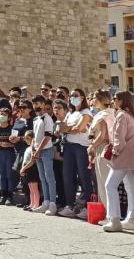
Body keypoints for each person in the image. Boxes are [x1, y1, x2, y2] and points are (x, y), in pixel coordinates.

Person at [102, 91, 134, 232]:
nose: (113, 101)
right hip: (132, 154)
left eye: (115, 99)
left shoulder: (121, 116)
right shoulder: (130, 115)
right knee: (130, 186)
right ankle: (132, 219)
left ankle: (114, 219)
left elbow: (119, 139)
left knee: (110, 185)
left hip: (123, 155)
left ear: (120, 101)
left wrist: (114, 153)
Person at [58, 88, 93, 219]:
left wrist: (69, 129)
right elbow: (63, 128)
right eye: (71, 96)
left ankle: (86, 206)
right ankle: (70, 205)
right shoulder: (71, 113)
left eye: (75, 95)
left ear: (82, 97)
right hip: (69, 146)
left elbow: (80, 128)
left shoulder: (86, 112)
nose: (72, 98)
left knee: (84, 177)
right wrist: (69, 129)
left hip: (81, 147)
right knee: (67, 176)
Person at [87, 89, 116, 206]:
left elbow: (103, 135)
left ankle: (108, 212)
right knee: (103, 181)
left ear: (100, 100)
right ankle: (107, 211)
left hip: (102, 148)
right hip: (103, 148)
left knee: (104, 181)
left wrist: (92, 146)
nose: (93, 100)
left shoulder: (104, 115)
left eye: (94, 98)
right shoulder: (109, 112)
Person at [30, 95, 57, 215]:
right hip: (37, 151)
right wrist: (33, 148)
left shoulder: (47, 119)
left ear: (43, 104)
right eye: (34, 104)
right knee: (42, 177)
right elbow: (34, 137)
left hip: (46, 150)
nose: (36, 106)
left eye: (38, 104)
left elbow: (47, 136)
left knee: (49, 177)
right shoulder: (36, 119)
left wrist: (39, 150)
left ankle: (52, 203)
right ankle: (45, 201)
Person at [9, 100, 34, 207]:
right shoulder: (18, 120)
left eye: (24, 107)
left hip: (28, 151)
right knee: (21, 175)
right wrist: (12, 138)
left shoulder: (33, 121)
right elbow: (14, 132)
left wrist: (19, 139)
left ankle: (31, 200)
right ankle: (26, 199)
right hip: (18, 150)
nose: (21, 109)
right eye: (20, 107)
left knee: (28, 175)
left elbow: (32, 136)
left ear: (30, 109)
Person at [0, 107, 16, 205]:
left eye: (4, 115)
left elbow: (15, 142)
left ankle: (10, 195)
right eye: (1, 114)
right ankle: (3, 195)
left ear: (9, 117)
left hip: (9, 153)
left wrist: (9, 144)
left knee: (9, 174)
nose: (2, 116)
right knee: (2, 175)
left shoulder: (11, 128)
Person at [18, 130, 41, 212]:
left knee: (35, 188)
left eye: (27, 138)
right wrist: (23, 168)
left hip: (32, 169)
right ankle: (32, 204)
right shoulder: (27, 148)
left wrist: (23, 168)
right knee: (31, 188)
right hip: (28, 169)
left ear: (33, 139)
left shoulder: (33, 148)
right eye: (25, 138)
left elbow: (32, 161)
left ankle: (36, 205)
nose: (26, 140)